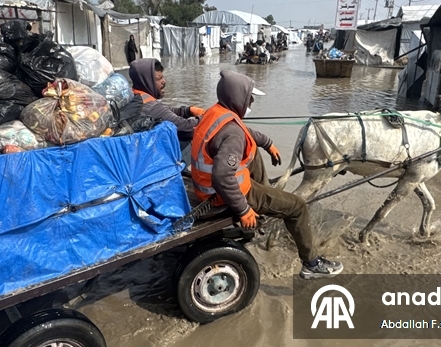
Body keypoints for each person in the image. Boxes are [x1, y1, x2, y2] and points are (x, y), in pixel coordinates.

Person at [191, 70, 344, 279]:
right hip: (223, 195)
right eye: (249, 97)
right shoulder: (233, 134)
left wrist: (267, 143)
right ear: (237, 97)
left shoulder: (215, 112)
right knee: (297, 207)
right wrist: (243, 210)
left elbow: (246, 133)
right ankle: (311, 263)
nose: (251, 101)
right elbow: (222, 176)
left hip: (205, 186)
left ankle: (266, 204)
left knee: (251, 150)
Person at [127, 58, 204, 139]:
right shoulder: (150, 106)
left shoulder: (135, 96)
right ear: (146, 81)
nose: (164, 81)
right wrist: (209, 118)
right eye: (159, 78)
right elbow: (185, 128)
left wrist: (188, 110)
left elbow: (166, 112)